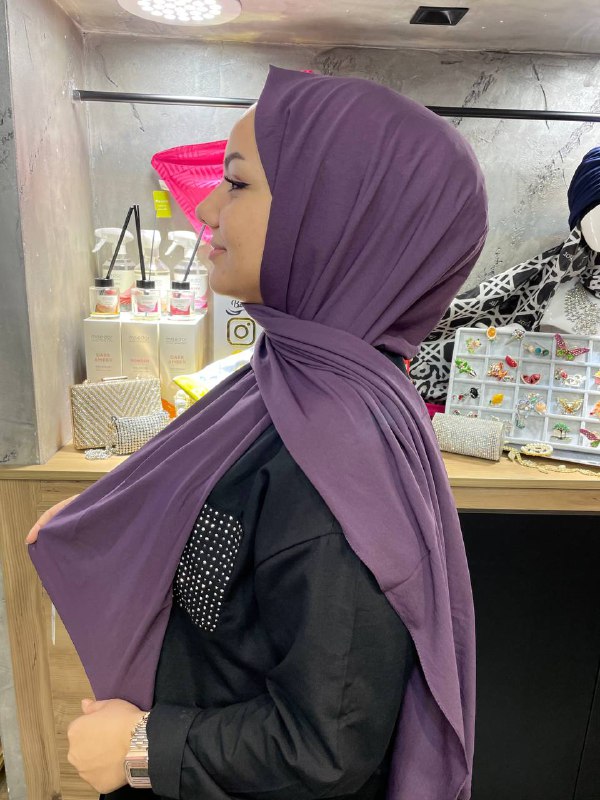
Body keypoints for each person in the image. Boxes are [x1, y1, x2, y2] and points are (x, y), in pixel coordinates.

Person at [26, 66, 488, 800]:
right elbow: (229, 545)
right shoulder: (291, 380)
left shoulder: (336, 462)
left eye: (236, 183)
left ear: (332, 219)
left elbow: (326, 742)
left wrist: (143, 748)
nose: (207, 207)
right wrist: (102, 527)